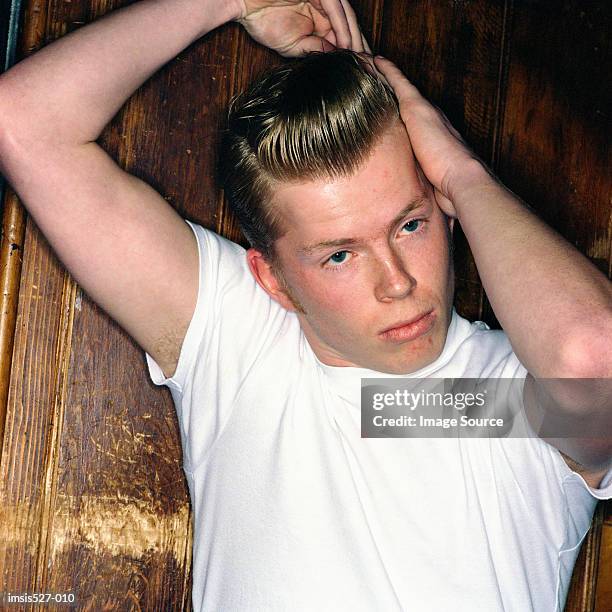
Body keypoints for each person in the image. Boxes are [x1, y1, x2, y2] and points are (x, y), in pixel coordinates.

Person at [0, 0, 610, 610]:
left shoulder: (500, 402)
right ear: (274, 280)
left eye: (410, 225)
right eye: (339, 256)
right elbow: (23, 122)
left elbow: (592, 360)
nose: (396, 283)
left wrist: (464, 174)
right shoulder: (239, 345)